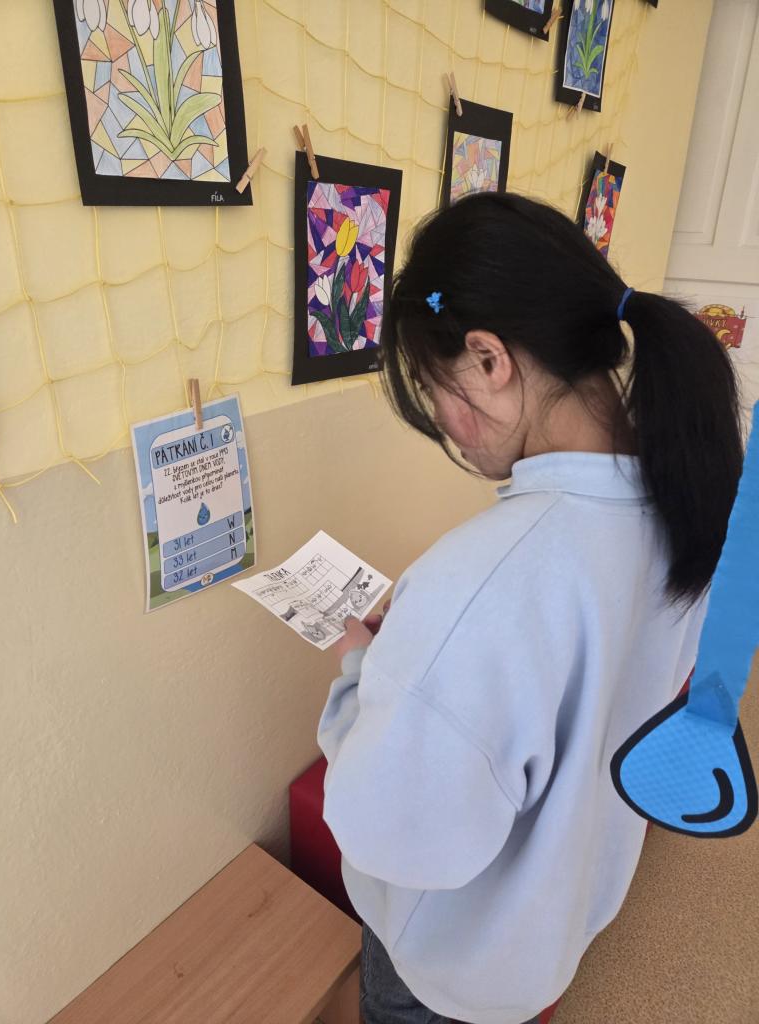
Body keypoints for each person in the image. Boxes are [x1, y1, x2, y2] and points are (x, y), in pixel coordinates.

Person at [316, 192, 743, 1024]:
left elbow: (393, 831)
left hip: (451, 967)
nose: (446, 424)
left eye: (433, 388)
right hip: (555, 929)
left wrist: (363, 673)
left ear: (488, 360)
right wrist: (429, 656)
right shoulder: (683, 499)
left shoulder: (483, 580)